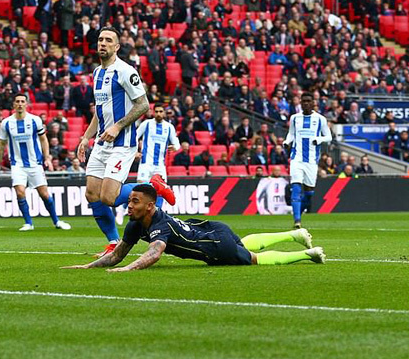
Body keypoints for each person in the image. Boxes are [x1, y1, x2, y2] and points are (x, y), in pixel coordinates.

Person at [62, 184, 325, 271]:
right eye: (130, 201)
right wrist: (87, 267)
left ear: (151, 206)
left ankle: (307, 254)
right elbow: (117, 254)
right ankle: (295, 234)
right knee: (244, 244)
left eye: (135, 201)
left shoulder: (159, 225)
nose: (128, 206)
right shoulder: (135, 224)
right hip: (212, 227)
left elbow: (155, 253)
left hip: (213, 245)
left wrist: (129, 269)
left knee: (252, 259)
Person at [77, 27, 150, 257]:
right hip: (101, 143)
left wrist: (118, 126)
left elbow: (143, 104)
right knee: (91, 194)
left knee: (108, 198)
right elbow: (100, 113)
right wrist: (85, 137)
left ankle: (152, 187)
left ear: (117, 46)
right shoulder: (97, 73)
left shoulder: (125, 71)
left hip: (122, 142)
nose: (103, 43)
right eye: (100, 40)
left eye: (108, 40)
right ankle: (112, 241)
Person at [0, 93, 71, 231]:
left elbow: (43, 139)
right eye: (17, 101)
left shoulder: (35, 120)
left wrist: (47, 158)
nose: (20, 104)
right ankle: (28, 223)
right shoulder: (6, 123)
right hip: (17, 164)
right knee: (20, 192)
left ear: (26, 104)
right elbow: (2, 144)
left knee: (44, 194)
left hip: (35, 163)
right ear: (13, 105)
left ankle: (56, 221)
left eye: (23, 101)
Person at [116, 105, 178, 225]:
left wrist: (175, 147)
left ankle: (157, 216)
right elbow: (135, 137)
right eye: (157, 111)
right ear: (153, 112)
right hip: (146, 163)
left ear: (164, 113)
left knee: (160, 190)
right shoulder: (147, 124)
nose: (159, 113)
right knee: (139, 189)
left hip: (160, 165)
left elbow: (176, 142)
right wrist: (134, 151)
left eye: (161, 111)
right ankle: (122, 208)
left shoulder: (169, 127)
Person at [284, 92, 332, 229]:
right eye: (303, 101)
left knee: (309, 192)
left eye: (308, 101)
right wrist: (287, 142)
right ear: (300, 102)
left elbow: (328, 137)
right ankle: (297, 220)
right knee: (296, 188)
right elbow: (291, 134)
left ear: (313, 103)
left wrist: (319, 139)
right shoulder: (294, 118)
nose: (305, 103)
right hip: (296, 158)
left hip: (311, 160)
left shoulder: (320, 119)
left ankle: (300, 210)